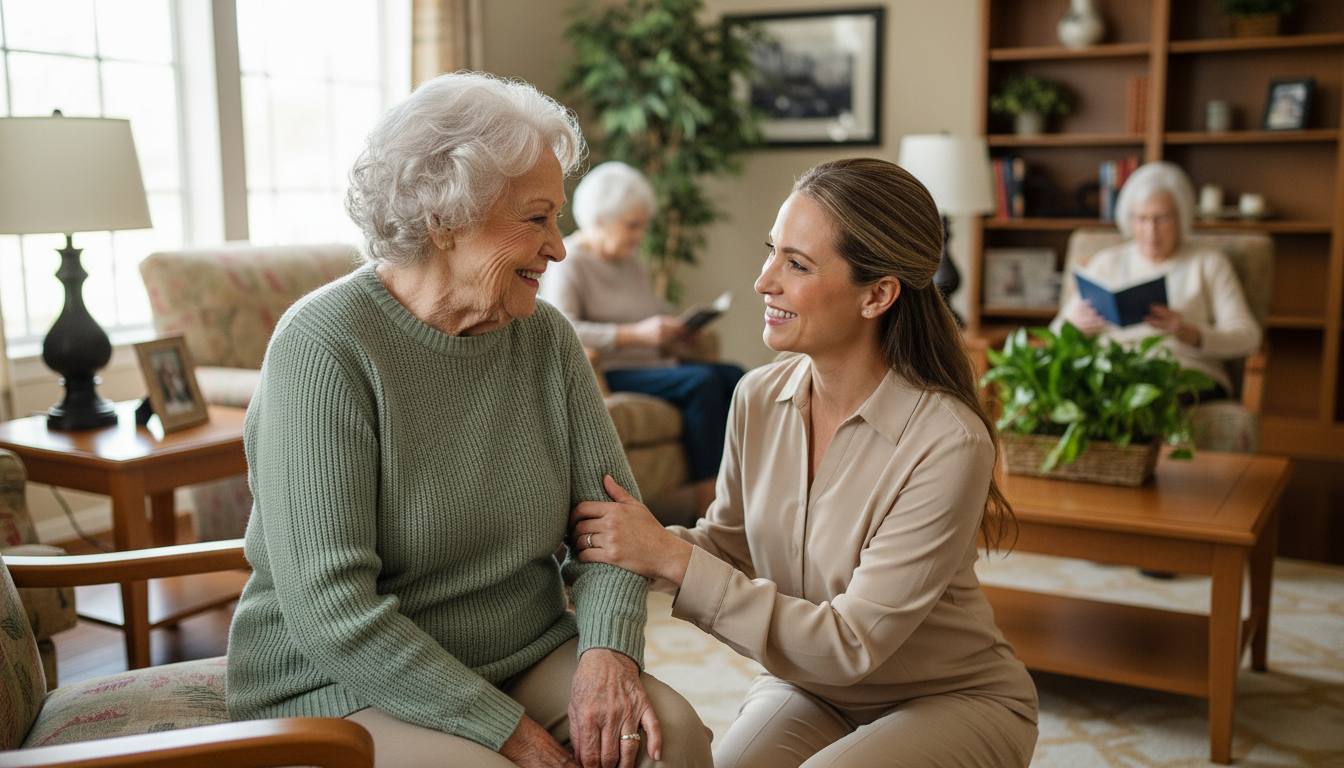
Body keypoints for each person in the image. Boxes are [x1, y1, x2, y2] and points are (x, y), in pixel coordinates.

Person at [225, 72, 712, 768]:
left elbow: (615, 533)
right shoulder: (324, 347)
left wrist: (607, 652)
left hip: (521, 652)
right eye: (537, 217)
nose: (559, 246)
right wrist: (511, 734)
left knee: (668, 739)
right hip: (341, 683)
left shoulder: (546, 338)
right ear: (444, 219)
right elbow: (332, 611)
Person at [569, 158, 1039, 768]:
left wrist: (671, 558)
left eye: (797, 264)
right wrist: (623, 548)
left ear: (878, 294)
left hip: (953, 697)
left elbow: (850, 644)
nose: (765, 281)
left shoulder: (949, 442)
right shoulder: (758, 397)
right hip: (809, 687)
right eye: (772, 252)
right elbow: (731, 544)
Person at [539, 161, 744, 516]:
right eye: (632, 225)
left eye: (642, 226)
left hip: (653, 366)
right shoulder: (570, 262)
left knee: (736, 377)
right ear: (601, 219)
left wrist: (678, 331)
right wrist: (634, 334)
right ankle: (710, 504)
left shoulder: (631, 262)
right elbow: (562, 327)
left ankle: (743, 485)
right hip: (610, 371)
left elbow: (651, 310)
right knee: (704, 383)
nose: (639, 235)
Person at [1051, 161, 1262, 400]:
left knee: (1145, 404)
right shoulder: (1105, 263)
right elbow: (1055, 332)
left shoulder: (1208, 262)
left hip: (1184, 375)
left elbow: (1248, 337)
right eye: (1141, 219)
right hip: (1114, 373)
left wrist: (1190, 333)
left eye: (1161, 219)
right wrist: (1073, 326)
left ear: (1181, 216)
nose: (1150, 230)